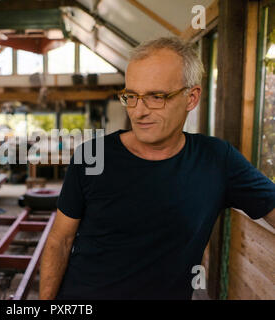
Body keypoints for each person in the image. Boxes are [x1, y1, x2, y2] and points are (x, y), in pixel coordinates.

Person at [39, 37, 275, 300]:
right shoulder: (92, 156)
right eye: (131, 96)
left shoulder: (217, 161)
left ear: (192, 97)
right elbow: (60, 242)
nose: (139, 112)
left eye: (156, 97)